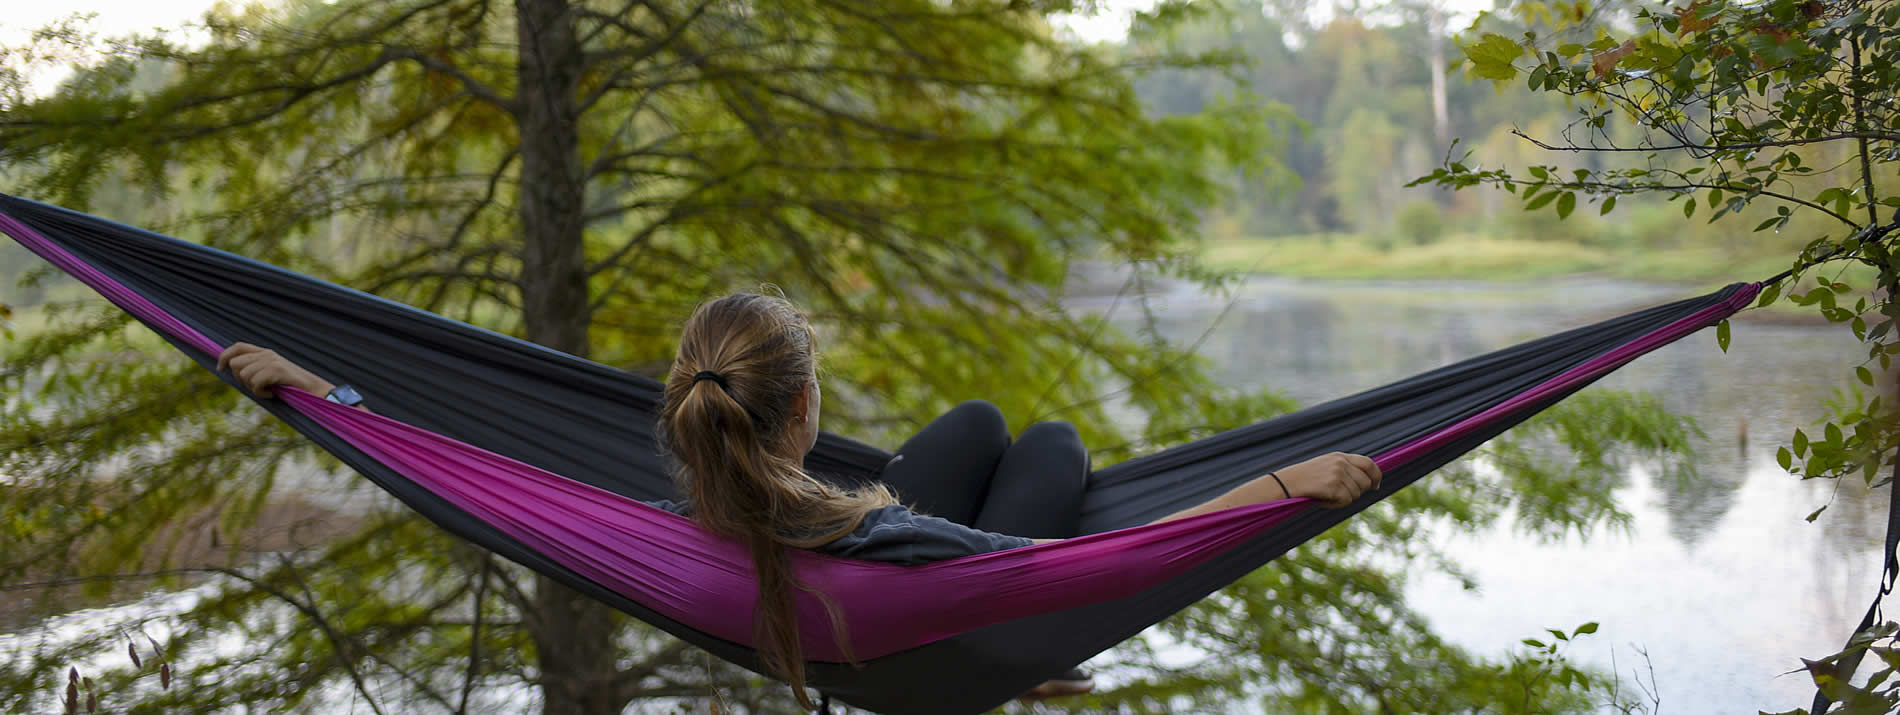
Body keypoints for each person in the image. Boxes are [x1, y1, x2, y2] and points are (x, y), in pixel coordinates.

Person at [215, 292, 1382, 710]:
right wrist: (1284, 485)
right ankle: (1032, 667)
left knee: (978, 424)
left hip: (798, 567)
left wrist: (336, 398)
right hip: (941, 631)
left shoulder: (668, 522)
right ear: (805, 409)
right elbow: (1087, 568)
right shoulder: (894, 543)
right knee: (1055, 443)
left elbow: (486, 484)